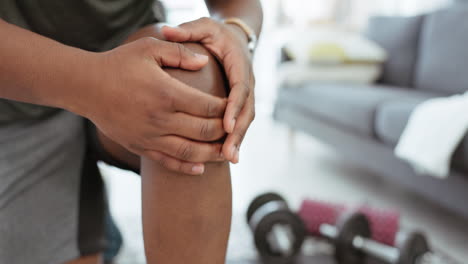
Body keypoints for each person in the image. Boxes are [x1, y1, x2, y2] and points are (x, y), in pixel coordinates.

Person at [0, 1, 262, 264]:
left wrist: (238, 33)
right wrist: (94, 84)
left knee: (190, 84)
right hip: (14, 99)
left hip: (132, 59)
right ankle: (100, 222)